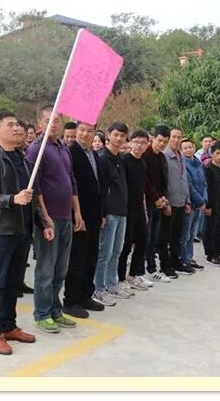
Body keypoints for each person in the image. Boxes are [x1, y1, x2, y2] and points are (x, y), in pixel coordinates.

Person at [0, 111, 38, 356]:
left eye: (18, 124)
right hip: (1, 231)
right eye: (10, 125)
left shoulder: (23, 159)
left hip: (22, 230)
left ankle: (9, 325)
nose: (17, 128)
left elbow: (32, 197)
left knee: (14, 283)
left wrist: (43, 223)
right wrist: (13, 199)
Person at [24, 106, 80, 333]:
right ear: (40, 123)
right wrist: (45, 217)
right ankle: (42, 313)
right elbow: (34, 186)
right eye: (48, 120)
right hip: (49, 219)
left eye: (56, 120)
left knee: (60, 269)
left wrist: (77, 212)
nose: (53, 124)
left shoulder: (63, 148)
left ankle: (56, 310)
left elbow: (71, 180)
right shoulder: (36, 149)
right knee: (46, 270)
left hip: (66, 217)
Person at [64, 120, 105, 318]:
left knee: (91, 257)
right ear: (76, 131)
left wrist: (101, 213)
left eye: (89, 131)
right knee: (77, 258)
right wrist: (75, 213)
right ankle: (71, 300)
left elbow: (98, 186)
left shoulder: (94, 154)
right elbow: (70, 186)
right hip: (79, 214)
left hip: (94, 214)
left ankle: (85, 295)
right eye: (82, 130)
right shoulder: (71, 153)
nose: (85, 134)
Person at [93, 122, 131, 305]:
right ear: (108, 134)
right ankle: (98, 289)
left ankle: (111, 284)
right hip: (109, 213)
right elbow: (99, 189)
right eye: (116, 134)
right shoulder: (102, 158)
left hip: (121, 211)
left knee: (117, 251)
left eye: (122, 136)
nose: (119, 138)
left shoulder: (120, 158)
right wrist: (102, 213)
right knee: (104, 253)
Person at [118, 128, 153, 290]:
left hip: (139, 208)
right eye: (136, 142)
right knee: (125, 245)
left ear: (147, 145)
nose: (139, 145)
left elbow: (142, 189)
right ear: (130, 143)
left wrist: (144, 211)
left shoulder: (143, 163)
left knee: (142, 242)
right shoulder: (124, 160)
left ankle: (134, 275)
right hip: (126, 209)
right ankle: (120, 278)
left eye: (143, 143)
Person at [161, 127, 193, 274]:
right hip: (169, 202)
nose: (176, 140)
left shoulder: (181, 155)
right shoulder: (164, 155)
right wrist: (165, 202)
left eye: (179, 137)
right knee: (165, 236)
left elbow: (184, 179)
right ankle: (165, 265)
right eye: (173, 137)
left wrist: (187, 200)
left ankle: (176, 262)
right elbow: (163, 181)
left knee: (177, 235)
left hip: (181, 201)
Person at [143, 126, 173, 277]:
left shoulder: (161, 157)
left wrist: (164, 199)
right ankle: (146, 269)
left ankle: (152, 267)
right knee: (146, 238)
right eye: (159, 140)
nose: (162, 144)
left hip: (160, 203)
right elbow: (145, 181)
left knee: (154, 238)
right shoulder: (145, 155)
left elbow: (164, 180)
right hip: (147, 203)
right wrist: (156, 198)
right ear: (153, 138)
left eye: (165, 142)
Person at [179, 137, 208, 265]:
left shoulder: (198, 162)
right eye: (185, 148)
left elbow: (204, 183)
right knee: (185, 234)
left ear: (194, 147)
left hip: (199, 204)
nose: (188, 150)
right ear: (181, 150)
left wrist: (204, 199)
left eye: (190, 147)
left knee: (192, 233)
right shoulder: (183, 164)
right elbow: (189, 186)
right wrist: (201, 201)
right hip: (190, 203)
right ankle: (184, 259)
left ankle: (190, 257)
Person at [203, 141, 220, 265]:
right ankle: (210, 254)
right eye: (217, 153)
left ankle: (217, 249)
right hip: (212, 204)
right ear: (212, 154)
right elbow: (206, 189)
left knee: (219, 228)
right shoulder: (208, 169)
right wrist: (207, 206)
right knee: (210, 229)